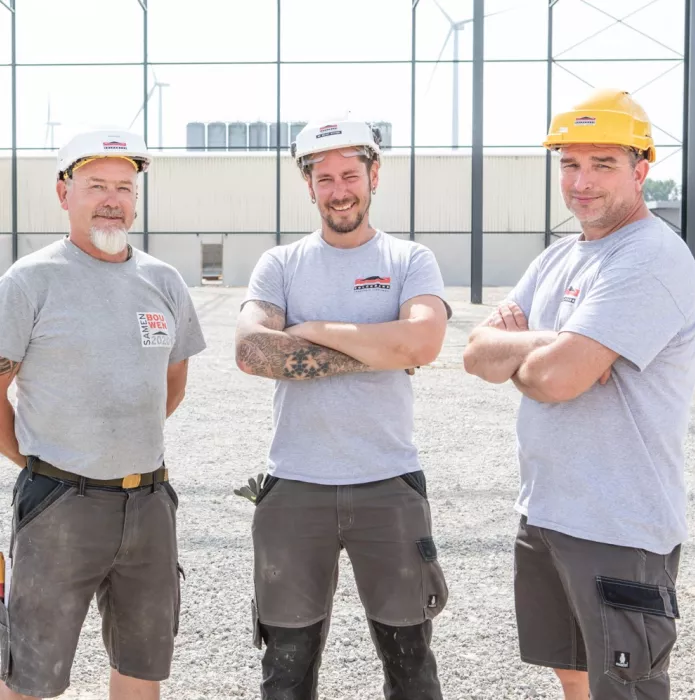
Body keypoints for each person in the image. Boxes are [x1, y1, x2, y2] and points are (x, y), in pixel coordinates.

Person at [463, 88, 695, 700]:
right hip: (547, 513)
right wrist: (562, 346)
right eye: (570, 163)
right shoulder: (558, 258)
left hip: (620, 525)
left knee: (626, 688)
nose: (581, 181)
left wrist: (542, 358)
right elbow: (476, 354)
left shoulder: (651, 258)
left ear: (642, 168)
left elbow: (555, 379)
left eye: (603, 164)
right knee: (572, 678)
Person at [235, 118, 450, 700]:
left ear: (374, 175)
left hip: (388, 485)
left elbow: (424, 344)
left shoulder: (410, 259)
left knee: (411, 665)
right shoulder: (279, 264)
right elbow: (253, 352)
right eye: (324, 177)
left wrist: (312, 331)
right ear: (309, 185)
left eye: (349, 174)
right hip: (294, 487)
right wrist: (383, 346)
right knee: (285, 669)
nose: (338, 189)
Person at [0, 130, 206, 699]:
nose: (112, 198)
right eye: (96, 186)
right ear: (64, 194)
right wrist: (40, 458)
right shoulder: (29, 282)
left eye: (124, 186)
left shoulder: (162, 281)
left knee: (143, 665)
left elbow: (174, 377)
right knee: (31, 672)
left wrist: (123, 449)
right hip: (60, 506)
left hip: (148, 505)